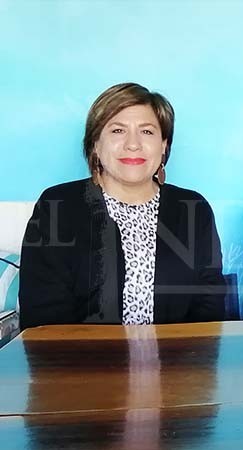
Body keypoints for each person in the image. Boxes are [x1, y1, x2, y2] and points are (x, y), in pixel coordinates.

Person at [19, 82, 226, 329]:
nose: (133, 144)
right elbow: (43, 317)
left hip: (178, 363)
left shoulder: (193, 208)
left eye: (147, 132)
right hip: (79, 364)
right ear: (95, 143)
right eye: (118, 131)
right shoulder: (57, 207)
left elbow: (209, 308)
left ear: (163, 145)